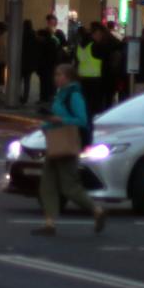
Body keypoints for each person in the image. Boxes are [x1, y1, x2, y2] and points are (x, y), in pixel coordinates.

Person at [36, 63, 105, 236]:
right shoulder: (60, 94)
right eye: (56, 75)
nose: (57, 78)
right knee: (47, 184)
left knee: (69, 186)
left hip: (67, 143)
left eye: (60, 75)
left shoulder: (73, 94)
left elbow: (81, 120)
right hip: (56, 142)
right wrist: (46, 124)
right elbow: (57, 118)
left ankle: (96, 210)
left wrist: (59, 120)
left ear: (69, 77)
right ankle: (49, 222)